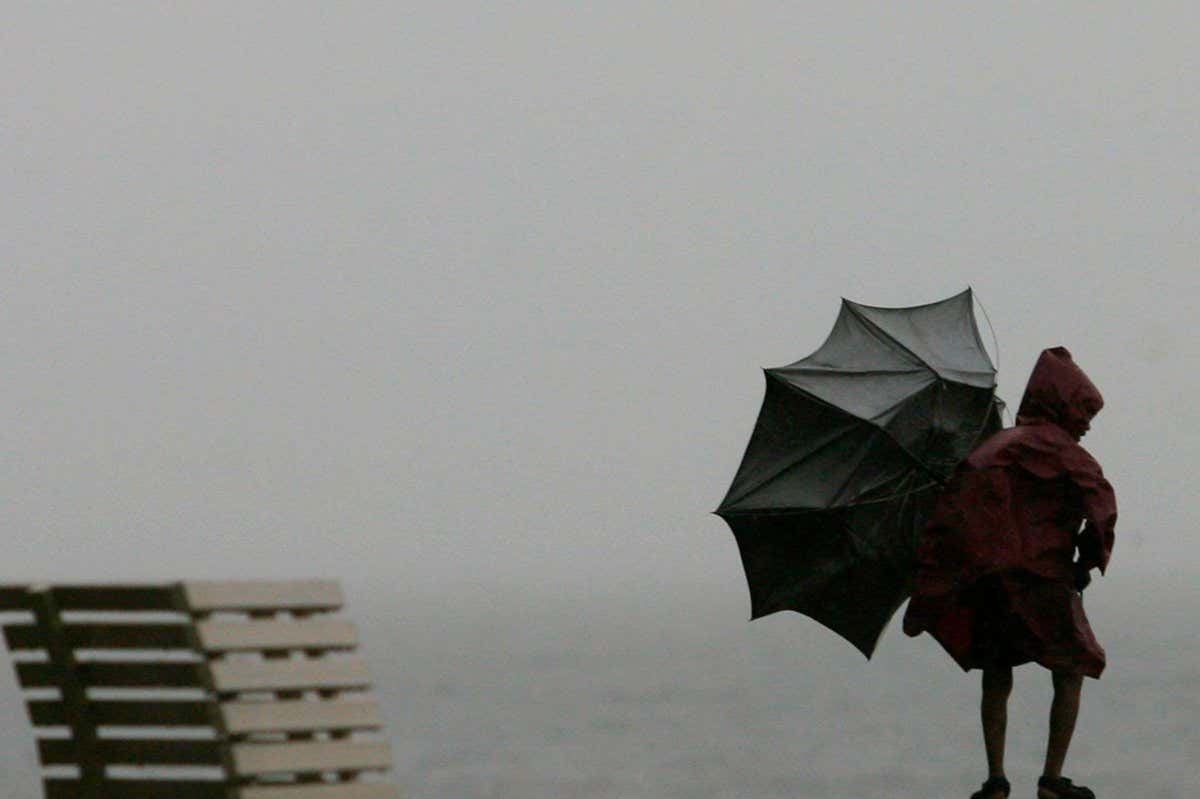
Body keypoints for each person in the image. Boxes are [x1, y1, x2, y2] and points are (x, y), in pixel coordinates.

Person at [902, 347, 1117, 799]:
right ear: (1067, 406)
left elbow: (953, 516)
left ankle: (995, 779)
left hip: (989, 580)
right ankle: (1052, 779)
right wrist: (1085, 562)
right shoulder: (1069, 454)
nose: (1087, 425)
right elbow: (1101, 510)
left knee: (996, 669)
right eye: (1085, 414)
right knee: (1071, 667)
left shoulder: (990, 449)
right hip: (1044, 580)